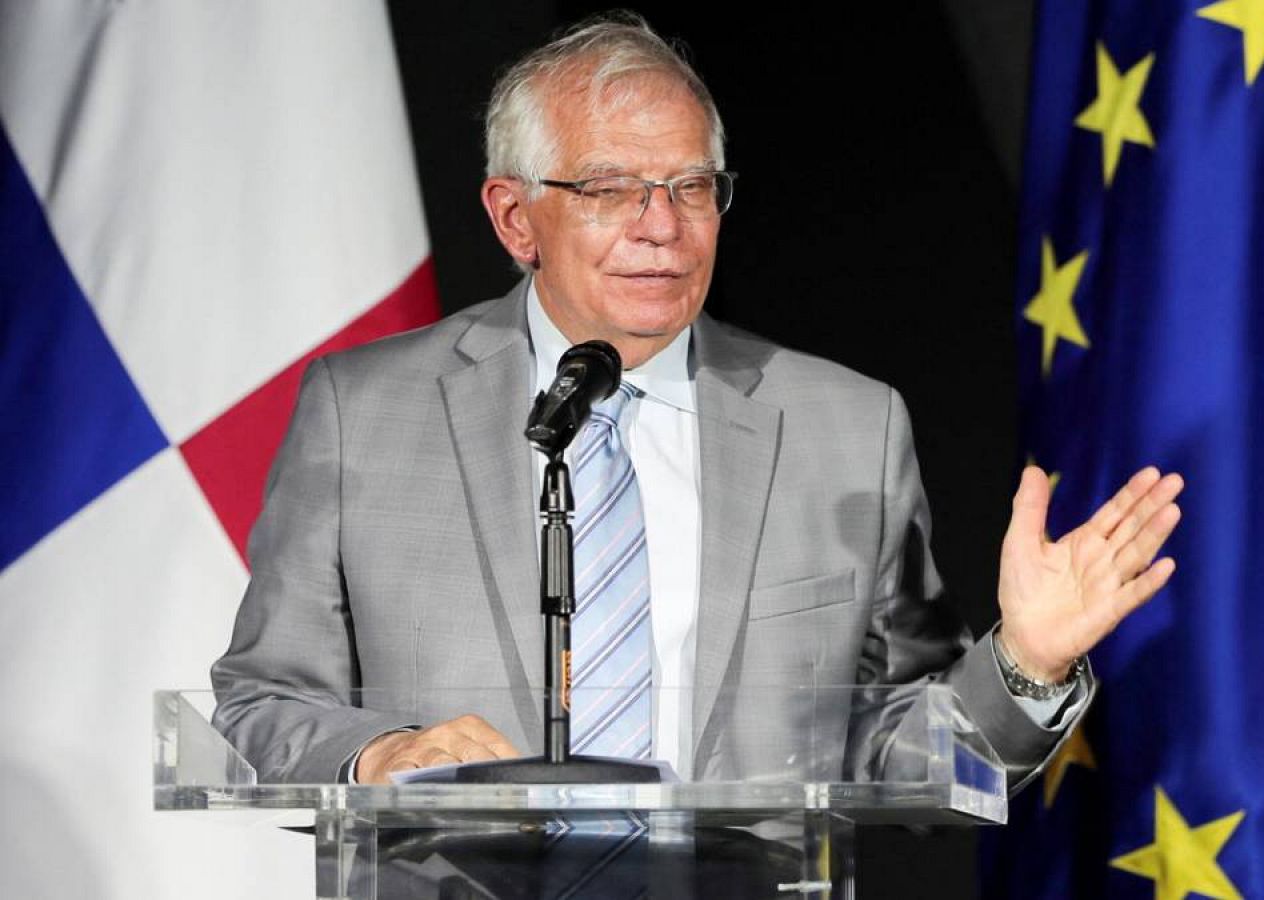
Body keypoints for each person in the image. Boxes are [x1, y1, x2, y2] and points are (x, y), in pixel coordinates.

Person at [210, 12, 1183, 789]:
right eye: (608, 189)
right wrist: (378, 755)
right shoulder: (363, 410)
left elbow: (899, 753)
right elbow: (261, 701)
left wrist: (1025, 662)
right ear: (515, 218)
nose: (661, 228)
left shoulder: (844, 426)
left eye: (691, 187)